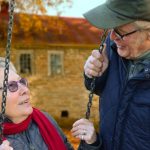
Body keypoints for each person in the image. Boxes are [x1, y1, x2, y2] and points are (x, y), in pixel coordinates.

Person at [72, 0, 150, 150]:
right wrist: (94, 74)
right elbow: (103, 89)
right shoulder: (114, 46)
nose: (113, 36)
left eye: (120, 31)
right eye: (111, 28)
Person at [0, 57, 74, 150]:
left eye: (22, 82)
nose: (25, 90)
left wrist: (90, 144)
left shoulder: (46, 120)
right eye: (11, 86)